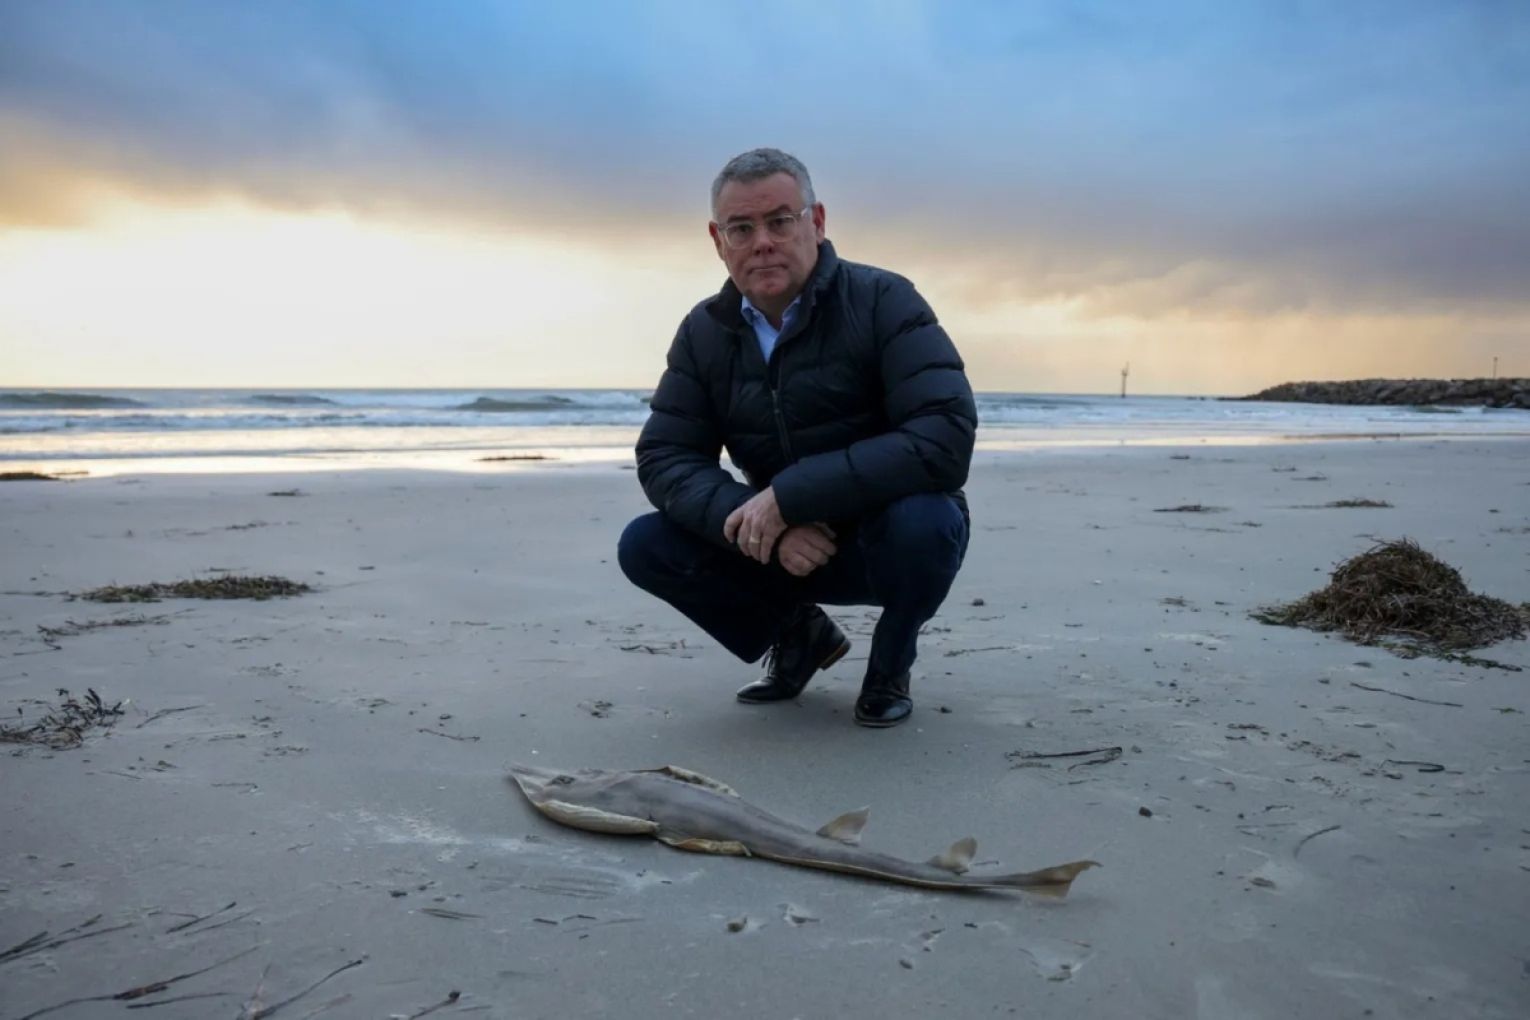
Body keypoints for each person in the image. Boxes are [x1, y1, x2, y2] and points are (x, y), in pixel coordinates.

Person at [617, 148, 976, 728]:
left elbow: (943, 437)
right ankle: (799, 635)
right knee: (647, 544)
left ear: (817, 221)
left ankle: (891, 661)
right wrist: (761, 523)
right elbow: (665, 456)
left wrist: (792, 497)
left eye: (780, 220)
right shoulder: (705, 333)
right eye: (742, 227)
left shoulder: (885, 301)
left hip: (884, 541)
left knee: (926, 524)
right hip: (781, 547)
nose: (762, 241)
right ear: (718, 239)